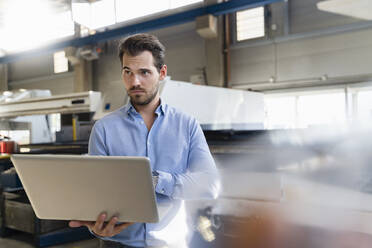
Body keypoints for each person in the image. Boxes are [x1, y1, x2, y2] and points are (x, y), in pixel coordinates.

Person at [69, 33, 219, 248]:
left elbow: (209, 184)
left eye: (144, 72)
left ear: (162, 73)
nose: (135, 81)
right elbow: (96, 192)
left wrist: (155, 180)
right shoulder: (104, 128)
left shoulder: (187, 125)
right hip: (116, 243)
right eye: (127, 72)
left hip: (170, 242)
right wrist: (95, 226)